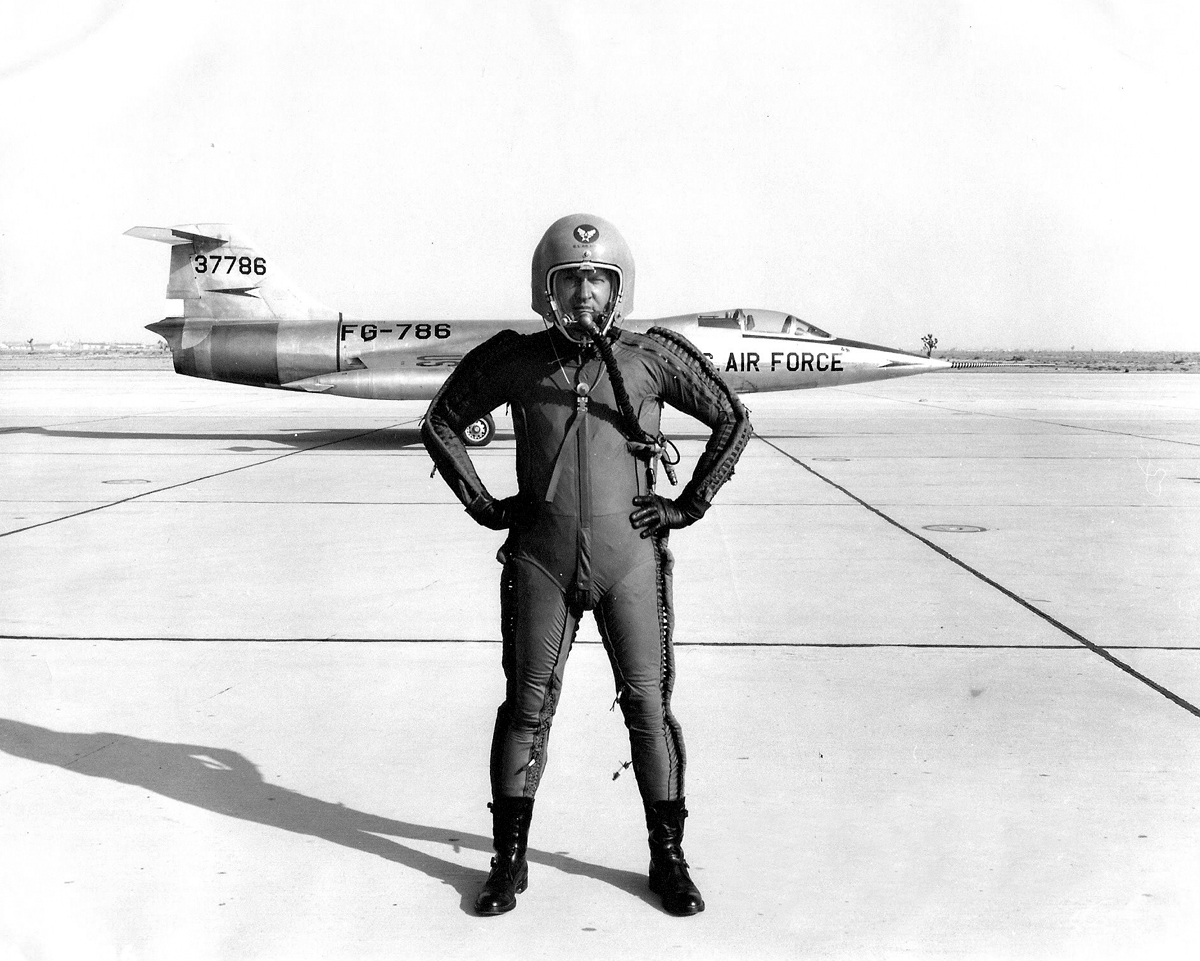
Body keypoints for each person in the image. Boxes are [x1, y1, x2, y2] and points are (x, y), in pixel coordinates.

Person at [421, 214, 751, 916]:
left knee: (647, 708)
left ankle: (669, 857)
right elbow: (441, 421)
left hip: (630, 560)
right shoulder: (516, 358)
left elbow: (732, 419)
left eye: (598, 279)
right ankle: (508, 860)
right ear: (547, 287)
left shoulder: (651, 357)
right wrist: (485, 504)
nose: (585, 293)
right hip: (541, 559)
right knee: (527, 708)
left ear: (618, 285)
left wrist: (686, 506)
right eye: (570, 279)